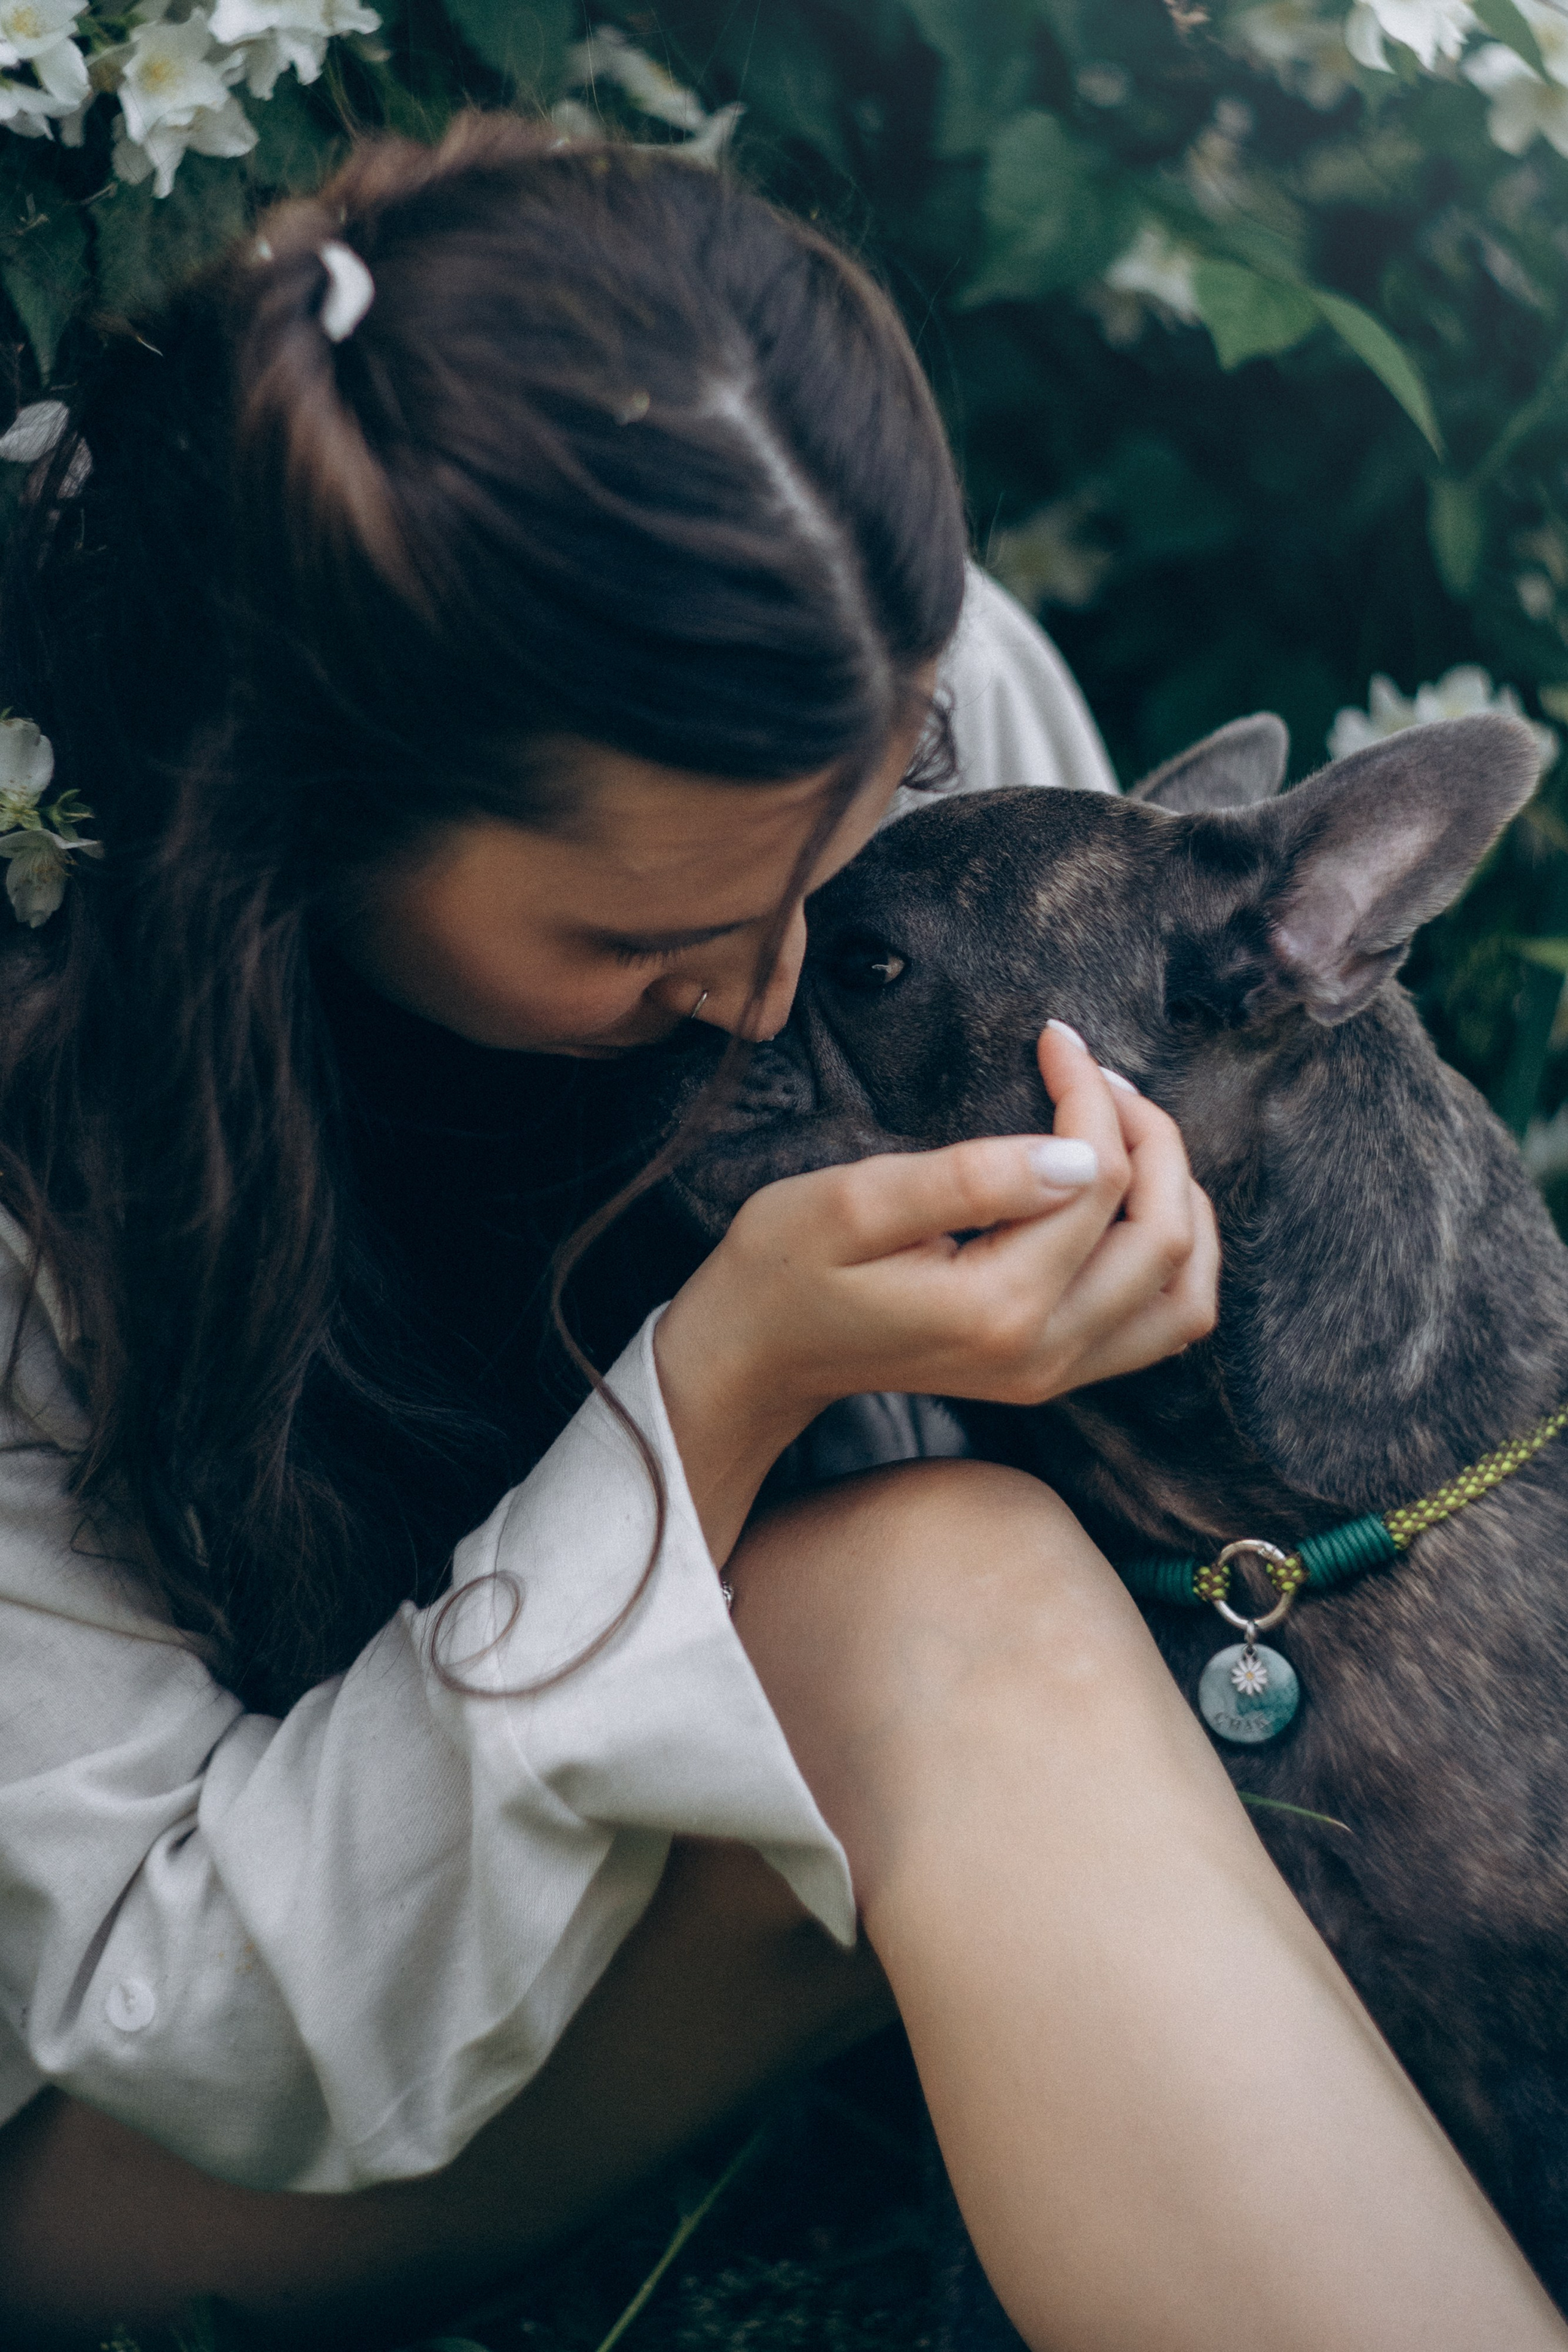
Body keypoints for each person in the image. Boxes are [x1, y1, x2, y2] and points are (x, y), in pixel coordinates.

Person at [0, 113, 1559, 2352]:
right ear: (294, 835)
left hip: (687, 1903)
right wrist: (715, 1392)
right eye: (657, 936)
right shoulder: (45, 1119)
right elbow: (196, 2025)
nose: (768, 984)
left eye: (869, 841)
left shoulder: (861, 696)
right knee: (961, 1591)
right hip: (158, 2111)